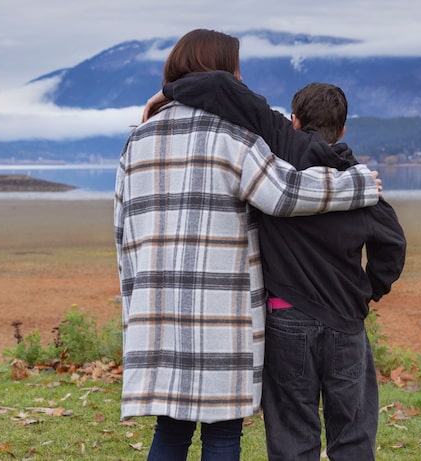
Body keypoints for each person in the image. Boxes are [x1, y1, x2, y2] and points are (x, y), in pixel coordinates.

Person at [115, 29, 382, 461]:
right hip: (222, 312)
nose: (241, 78)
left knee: (170, 429)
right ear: (222, 71)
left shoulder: (138, 140)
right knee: (222, 432)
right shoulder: (233, 136)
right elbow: (285, 194)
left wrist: (135, 307)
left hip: (157, 306)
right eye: (236, 69)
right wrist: (360, 183)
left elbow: (124, 235)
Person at [160, 73, 407, 459]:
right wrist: (367, 291)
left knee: (293, 439)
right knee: (353, 438)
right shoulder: (358, 179)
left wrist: (167, 93)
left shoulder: (278, 147)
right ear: (342, 130)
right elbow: (392, 245)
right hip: (346, 321)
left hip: (286, 318)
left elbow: (223, 87)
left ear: (294, 120)